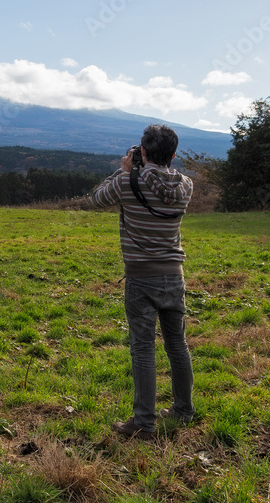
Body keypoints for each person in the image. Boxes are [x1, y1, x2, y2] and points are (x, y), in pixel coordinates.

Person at [90, 124, 194, 439]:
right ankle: (183, 410)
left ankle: (143, 424)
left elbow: (96, 199)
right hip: (173, 275)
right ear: (174, 155)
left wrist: (123, 169)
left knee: (143, 348)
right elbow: (161, 180)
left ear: (143, 151)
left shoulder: (126, 182)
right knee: (177, 344)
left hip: (140, 277)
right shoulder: (187, 185)